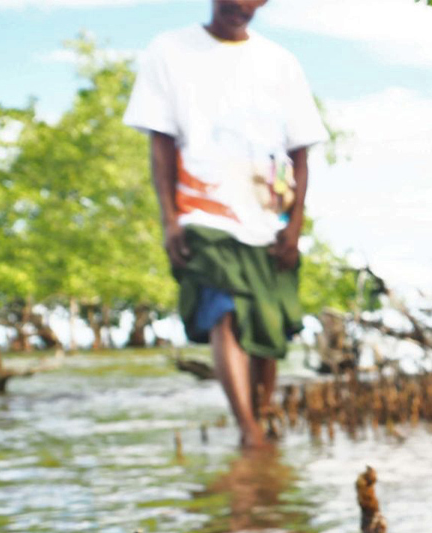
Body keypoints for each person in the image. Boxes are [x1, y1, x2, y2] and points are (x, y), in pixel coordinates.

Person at [124, 0, 327, 449]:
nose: (242, 6)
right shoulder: (170, 51)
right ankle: (249, 431)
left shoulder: (281, 63)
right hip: (203, 210)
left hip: (267, 215)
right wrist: (170, 218)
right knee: (225, 311)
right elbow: (160, 144)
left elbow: (301, 153)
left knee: (269, 328)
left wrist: (294, 225)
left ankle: (260, 418)